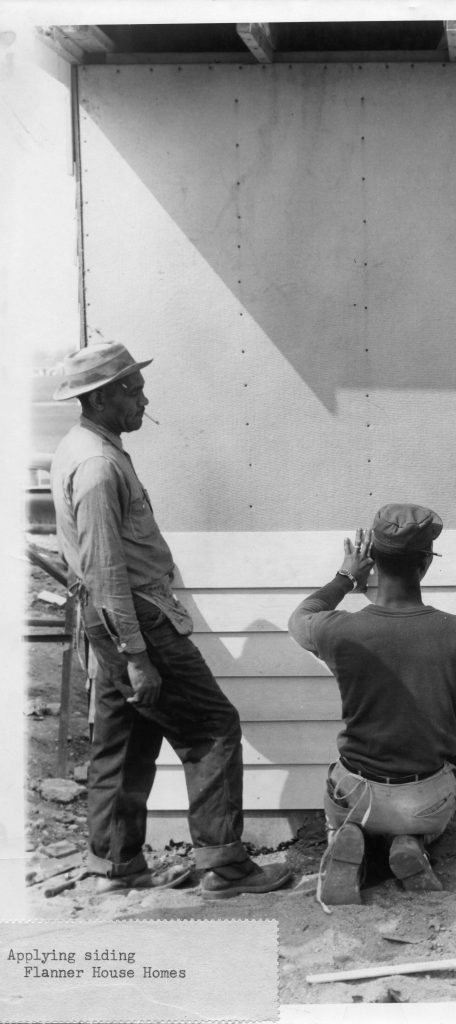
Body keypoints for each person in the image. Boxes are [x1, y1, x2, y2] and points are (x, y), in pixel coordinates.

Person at [49, 341, 292, 898]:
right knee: (213, 729)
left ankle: (115, 865)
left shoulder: (82, 447)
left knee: (125, 742)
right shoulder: (97, 466)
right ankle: (225, 867)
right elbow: (108, 573)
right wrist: (137, 658)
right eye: (132, 390)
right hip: (137, 624)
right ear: (102, 396)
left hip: (106, 624)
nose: (143, 398)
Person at [287, 503, 456, 905]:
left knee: (342, 784)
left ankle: (352, 844)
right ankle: (412, 842)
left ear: (372, 560)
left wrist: (346, 577)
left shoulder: (340, 630)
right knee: (436, 793)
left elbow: (301, 616)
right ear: (426, 562)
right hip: (424, 801)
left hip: (355, 795)